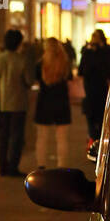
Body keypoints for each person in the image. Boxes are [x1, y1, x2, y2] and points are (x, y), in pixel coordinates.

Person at [0, 29, 31, 177]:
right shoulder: (22, 60)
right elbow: (28, 80)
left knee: (3, 136)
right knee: (16, 137)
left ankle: (2, 166)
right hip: (18, 102)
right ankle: (13, 167)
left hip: (1, 101)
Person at [34, 38, 72, 167]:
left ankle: (41, 165)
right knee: (62, 138)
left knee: (42, 137)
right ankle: (61, 165)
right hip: (61, 101)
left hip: (44, 101)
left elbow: (36, 80)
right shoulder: (65, 63)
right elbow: (70, 78)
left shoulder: (41, 64)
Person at [78, 28, 110, 142]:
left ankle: (99, 140)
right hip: (91, 90)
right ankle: (94, 139)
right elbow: (81, 70)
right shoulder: (87, 51)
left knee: (101, 118)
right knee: (92, 118)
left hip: (101, 90)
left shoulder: (107, 51)